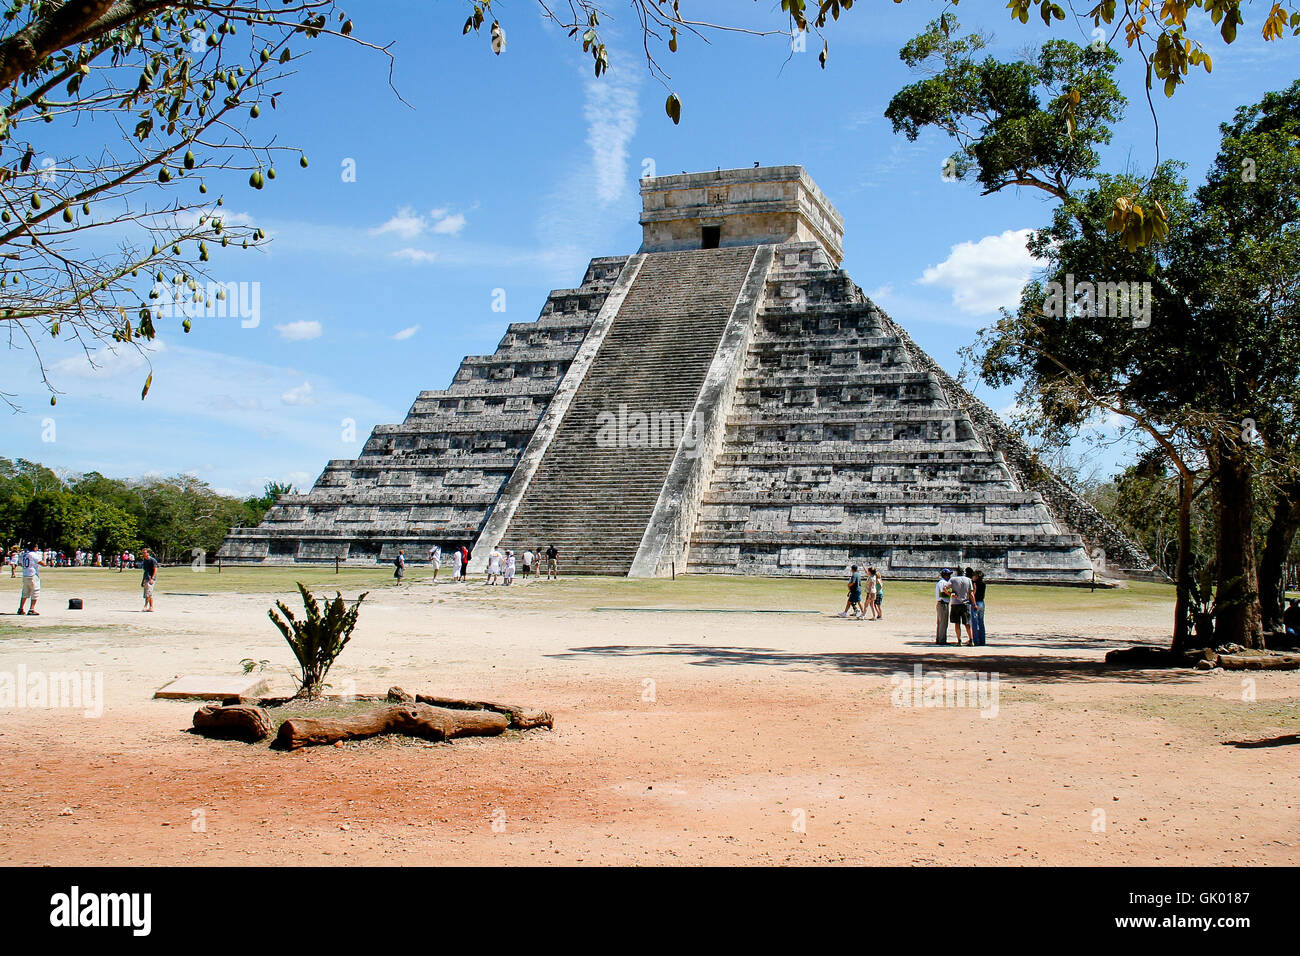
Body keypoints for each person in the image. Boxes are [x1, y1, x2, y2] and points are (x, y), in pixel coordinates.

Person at [949, 567, 975, 646]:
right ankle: (971, 640)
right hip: (965, 603)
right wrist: (974, 603)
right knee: (967, 623)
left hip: (955, 603)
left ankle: (959, 640)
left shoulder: (952, 579)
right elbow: (971, 593)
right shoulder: (968, 580)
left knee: (957, 623)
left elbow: (946, 588)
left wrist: (952, 593)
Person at [17, 544, 44, 615]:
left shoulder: (24, 554)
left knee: (25, 592)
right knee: (35, 591)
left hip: (25, 574)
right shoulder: (34, 554)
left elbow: (20, 563)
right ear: (34, 548)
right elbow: (43, 563)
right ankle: (32, 609)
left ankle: (21, 608)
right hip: (33, 574)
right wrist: (44, 557)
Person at [935, 568, 953, 644]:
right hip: (943, 603)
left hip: (941, 603)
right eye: (948, 575)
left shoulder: (941, 582)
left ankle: (939, 639)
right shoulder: (943, 582)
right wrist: (952, 592)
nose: (949, 576)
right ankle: (942, 640)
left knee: (940, 622)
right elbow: (943, 593)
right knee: (943, 623)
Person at [971, 569, 987, 646]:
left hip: (976, 602)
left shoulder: (975, 584)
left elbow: (973, 594)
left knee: (975, 623)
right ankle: (982, 640)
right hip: (982, 602)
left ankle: (976, 640)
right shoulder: (983, 583)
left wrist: (973, 603)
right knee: (981, 622)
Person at [140, 547, 158, 612]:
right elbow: (145, 571)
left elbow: (155, 569)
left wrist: (152, 578)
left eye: (144, 552)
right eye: (143, 552)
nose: (143, 554)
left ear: (148, 553)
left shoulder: (152, 560)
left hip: (151, 579)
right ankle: (151, 607)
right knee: (148, 593)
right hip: (146, 578)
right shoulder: (144, 560)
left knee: (148, 593)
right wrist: (143, 580)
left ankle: (145, 606)